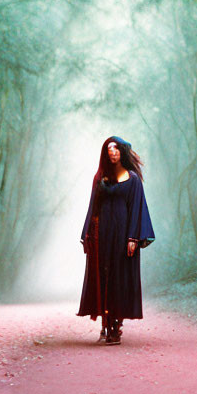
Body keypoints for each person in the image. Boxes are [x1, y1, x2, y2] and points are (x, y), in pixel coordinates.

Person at [78, 136, 154, 345]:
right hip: (101, 234)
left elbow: (137, 209)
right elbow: (93, 207)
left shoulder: (133, 179)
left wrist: (133, 238)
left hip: (122, 236)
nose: (112, 152)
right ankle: (106, 324)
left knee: (119, 279)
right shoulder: (100, 178)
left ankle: (116, 327)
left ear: (122, 152)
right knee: (103, 277)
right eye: (109, 149)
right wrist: (87, 234)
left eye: (116, 149)